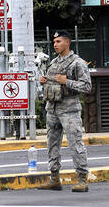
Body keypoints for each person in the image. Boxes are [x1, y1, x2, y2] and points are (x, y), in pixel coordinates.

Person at [38, 30, 92, 192]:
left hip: (69, 110)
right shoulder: (53, 62)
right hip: (52, 109)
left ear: (67, 42)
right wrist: (44, 81)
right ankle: (54, 178)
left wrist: (67, 81)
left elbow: (87, 86)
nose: (55, 44)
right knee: (52, 144)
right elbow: (52, 83)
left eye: (59, 41)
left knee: (75, 143)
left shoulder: (77, 63)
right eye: (54, 42)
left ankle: (82, 179)